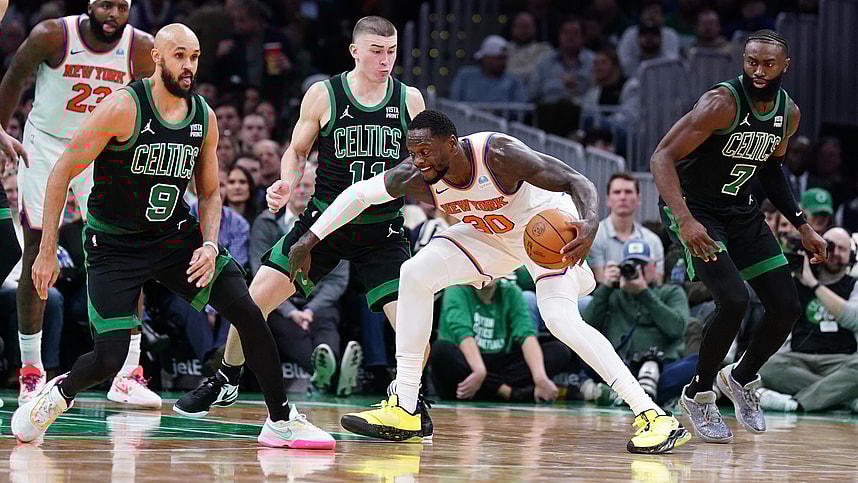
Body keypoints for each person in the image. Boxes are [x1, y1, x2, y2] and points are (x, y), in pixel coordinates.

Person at [289, 109, 691, 454]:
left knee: (559, 319)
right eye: (413, 152)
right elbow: (358, 195)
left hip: (546, 232)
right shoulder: (417, 175)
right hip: (490, 237)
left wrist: (588, 225)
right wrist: (308, 239)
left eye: (426, 151)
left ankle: (653, 415)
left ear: (452, 144)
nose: (419, 160)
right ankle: (406, 406)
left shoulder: (497, 153)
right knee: (414, 273)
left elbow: (577, 181)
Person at [12, 24, 334, 450]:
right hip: (114, 246)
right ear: (157, 58)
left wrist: (210, 244)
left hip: (174, 241)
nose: (188, 65)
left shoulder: (204, 117)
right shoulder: (123, 107)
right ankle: (58, 394)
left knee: (249, 312)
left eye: (195, 57)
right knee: (108, 358)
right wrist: (46, 250)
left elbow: (211, 193)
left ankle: (280, 420)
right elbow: (61, 171)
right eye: (179, 55)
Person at [173, 15, 429, 426]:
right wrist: (286, 183)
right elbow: (296, 151)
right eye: (377, 51)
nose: (386, 60)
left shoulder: (410, 100)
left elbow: (424, 162)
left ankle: (412, 400)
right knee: (252, 301)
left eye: (392, 51)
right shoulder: (325, 94)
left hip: (382, 229)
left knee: (413, 326)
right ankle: (226, 377)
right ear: (355, 51)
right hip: (324, 225)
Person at [650, 30, 827, 443]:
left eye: (768, 64)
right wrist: (684, 219)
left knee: (785, 306)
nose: (759, 71)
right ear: (743, 61)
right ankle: (698, 393)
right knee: (732, 300)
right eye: (751, 62)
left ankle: (741, 377)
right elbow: (661, 157)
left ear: (785, 66)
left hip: (740, 210)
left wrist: (802, 225)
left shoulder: (788, 114)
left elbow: (772, 171)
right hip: (695, 209)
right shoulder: (721, 103)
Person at [0, 0, 161, 405]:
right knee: (38, 247)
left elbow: (156, 105)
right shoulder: (53, 35)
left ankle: (128, 373)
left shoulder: (141, 47)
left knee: (123, 251)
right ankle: (31, 371)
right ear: (90, 4)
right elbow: (14, 78)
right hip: (46, 144)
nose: (113, 15)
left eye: (121, 7)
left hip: (100, 150)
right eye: (106, 5)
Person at [582, 238, 695, 405]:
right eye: (631, 264)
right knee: (589, 357)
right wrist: (605, 287)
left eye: (642, 264)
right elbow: (586, 328)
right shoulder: (613, 293)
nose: (636, 269)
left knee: (697, 364)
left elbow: (676, 329)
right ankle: (647, 393)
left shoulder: (671, 292)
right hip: (622, 367)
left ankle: (619, 395)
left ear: (653, 265)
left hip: (663, 367)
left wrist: (644, 293)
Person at [758, 227, 858, 412]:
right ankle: (843, 397)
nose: (835, 253)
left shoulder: (854, 285)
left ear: (851, 255)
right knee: (766, 365)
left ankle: (796, 404)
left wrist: (814, 284)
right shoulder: (796, 282)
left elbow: (854, 318)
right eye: (830, 247)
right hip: (798, 360)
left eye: (842, 249)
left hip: (840, 361)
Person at [431, 278, 569, 403]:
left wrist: (540, 378)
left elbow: (526, 336)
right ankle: (510, 394)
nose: (488, 270)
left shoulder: (511, 291)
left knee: (558, 351)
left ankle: (489, 391)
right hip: (468, 366)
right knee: (440, 350)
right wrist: (479, 371)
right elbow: (463, 333)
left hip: (499, 364)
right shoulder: (456, 289)